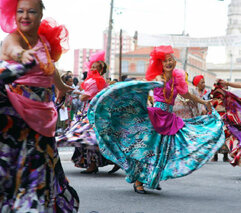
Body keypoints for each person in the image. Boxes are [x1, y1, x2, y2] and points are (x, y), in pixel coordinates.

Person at [87, 45, 225, 194]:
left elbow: (187, 96)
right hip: (154, 118)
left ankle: (152, 177)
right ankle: (139, 181)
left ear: (174, 62)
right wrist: (156, 83)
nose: (168, 63)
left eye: (170, 60)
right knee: (147, 150)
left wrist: (204, 102)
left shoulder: (177, 79)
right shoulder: (159, 77)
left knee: (163, 151)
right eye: (165, 61)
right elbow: (150, 83)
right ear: (160, 64)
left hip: (169, 119)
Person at [0, 0, 79, 211]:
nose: (25, 16)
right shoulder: (14, 38)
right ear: (13, 15)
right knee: (14, 172)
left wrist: (61, 86)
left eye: (31, 11)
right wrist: (21, 55)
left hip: (43, 116)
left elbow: (50, 68)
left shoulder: (43, 41)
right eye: (21, 11)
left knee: (39, 170)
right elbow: (12, 49)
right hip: (18, 115)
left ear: (40, 15)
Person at [56, 51, 120, 174]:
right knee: (91, 138)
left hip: (91, 113)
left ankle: (94, 164)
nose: (92, 69)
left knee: (88, 138)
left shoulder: (97, 81)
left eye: (95, 67)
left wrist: (79, 94)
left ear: (101, 70)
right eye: (92, 66)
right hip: (90, 112)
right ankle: (98, 162)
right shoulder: (96, 80)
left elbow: (85, 97)